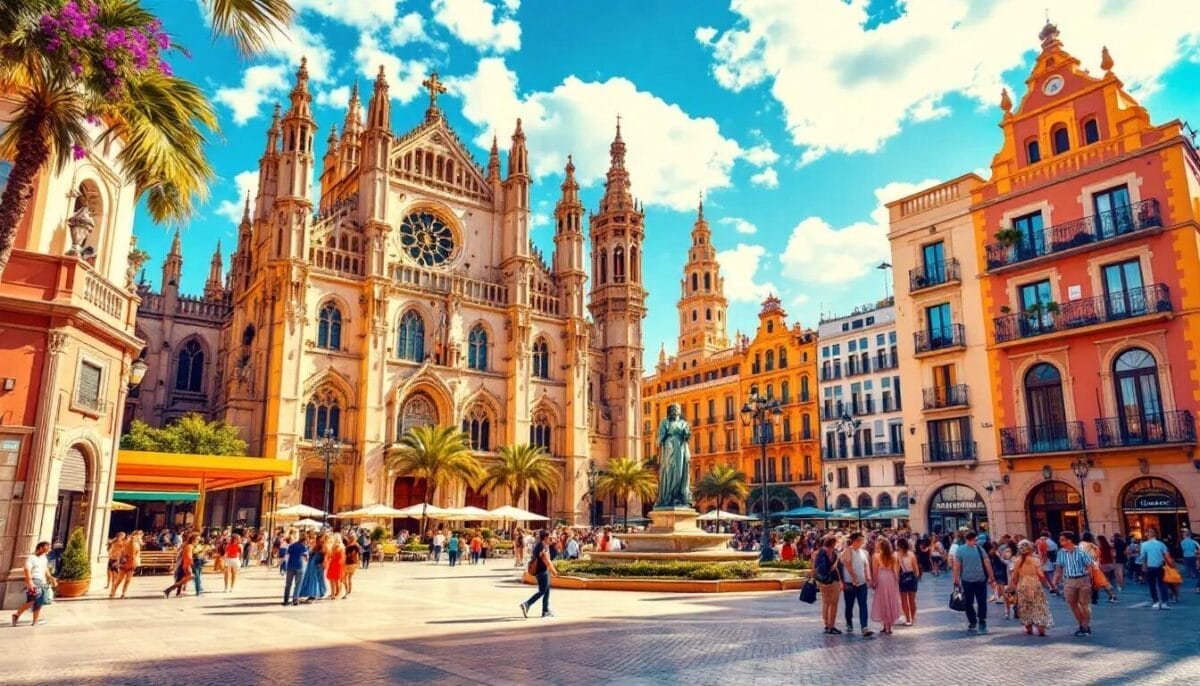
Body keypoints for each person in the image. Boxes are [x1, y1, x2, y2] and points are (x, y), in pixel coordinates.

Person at [1053, 531, 1096, 636]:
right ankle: (1082, 624)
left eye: (1062, 539)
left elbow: (1090, 565)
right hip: (1068, 581)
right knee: (1072, 603)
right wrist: (1054, 582)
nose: (1060, 541)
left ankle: (1085, 626)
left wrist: (1088, 578)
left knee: (1084, 604)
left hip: (1082, 579)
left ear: (1069, 540)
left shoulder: (1081, 551)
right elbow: (1058, 569)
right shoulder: (1061, 553)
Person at [951, 530, 994, 634]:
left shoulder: (960, 550)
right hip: (980, 579)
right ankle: (982, 620)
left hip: (967, 580)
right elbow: (987, 563)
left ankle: (972, 621)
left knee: (968, 602)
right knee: (981, 601)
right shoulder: (980, 549)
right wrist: (991, 576)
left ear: (966, 539)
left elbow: (957, 566)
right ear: (974, 538)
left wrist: (956, 579)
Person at [1009, 539, 1054, 636]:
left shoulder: (1017, 561)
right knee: (1038, 606)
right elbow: (1041, 575)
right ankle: (1041, 629)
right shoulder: (1036, 560)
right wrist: (1046, 584)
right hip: (1035, 584)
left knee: (1025, 607)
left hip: (1023, 585)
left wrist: (1014, 585)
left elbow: (1014, 577)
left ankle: (1028, 628)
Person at [11, 542, 57, 627]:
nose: (49, 550)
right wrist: (30, 582)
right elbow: (27, 569)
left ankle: (34, 621)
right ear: (40, 548)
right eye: (47, 548)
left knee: (39, 602)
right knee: (32, 601)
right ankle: (16, 614)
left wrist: (50, 577)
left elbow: (45, 569)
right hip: (34, 580)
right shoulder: (31, 558)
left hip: (42, 582)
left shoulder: (44, 558)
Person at [839, 532, 873, 637]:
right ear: (855, 540)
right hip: (850, 583)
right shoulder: (847, 551)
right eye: (861, 540)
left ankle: (864, 627)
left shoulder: (863, 552)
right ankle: (849, 623)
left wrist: (868, 576)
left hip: (862, 583)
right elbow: (848, 566)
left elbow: (866, 565)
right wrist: (854, 578)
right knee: (849, 605)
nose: (863, 542)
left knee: (863, 605)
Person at [519, 530, 558, 618]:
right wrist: (554, 571)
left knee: (546, 590)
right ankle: (527, 604)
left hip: (542, 571)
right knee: (542, 591)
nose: (550, 539)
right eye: (549, 537)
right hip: (542, 571)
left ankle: (545, 610)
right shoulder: (542, 547)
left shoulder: (540, 545)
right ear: (545, 538)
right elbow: (546, 560)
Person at [1137, 527, 1175, 609]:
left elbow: (1143, 557)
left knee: (1152, 585)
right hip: (1160, 566)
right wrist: (1171, 564)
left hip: (1151, 567)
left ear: (1146, 534)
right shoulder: (1160, 544)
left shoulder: (1144, 544)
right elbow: (1167, 555)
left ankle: (1156, 601)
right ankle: (1164, 602)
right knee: (1162, 584)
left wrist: (1144, 565)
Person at [870, 539, 901, 635]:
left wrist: (874, 582)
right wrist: (896, 581)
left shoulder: (876, 556)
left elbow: (875, 570)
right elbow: (896, 570)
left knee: (882, 601)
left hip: (881, 578)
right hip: (891, 577)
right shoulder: (894, 556)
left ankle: (885, 626)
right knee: (890, 600)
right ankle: (888, 627)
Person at [812, 535, 842, 634]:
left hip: (822, 581)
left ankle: (826, 624)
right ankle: (831, 626)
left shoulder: (817, 553)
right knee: (833, 604)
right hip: (832, 580)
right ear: (832, 543)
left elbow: (814, 569)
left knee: (825, 602)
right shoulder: (833, 553)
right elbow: (834, 568)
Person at [1079, 532, 1117, 603]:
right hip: (1095, 566)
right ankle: (1112, 596)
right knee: (1102, 582)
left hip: (1087, 566)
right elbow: (1097, 555)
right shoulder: (1094, 546)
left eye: (1081, 535)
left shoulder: (1082, 544)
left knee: (1087, 582)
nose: (1080, 536)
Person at [895, 537, 920, 626]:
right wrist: (916, 578)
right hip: (912, 576)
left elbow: (897, 568)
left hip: (903, 577)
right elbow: (915, 568)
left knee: (904, 600)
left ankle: (908, 619)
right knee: (912, 600)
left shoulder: (898, 555)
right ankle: (912, 618)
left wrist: (897, 578)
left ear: (899, 546)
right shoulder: (911, 554)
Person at [163, 533, 197, 597]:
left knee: (183, 577)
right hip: (185, 563)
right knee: (189, 576)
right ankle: (170, 589)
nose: (198, 541)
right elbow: (188, 556)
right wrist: (192, 564)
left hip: (184, 563)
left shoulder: (187, 544)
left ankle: (171, 590)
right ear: (193, 539)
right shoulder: (189, 546)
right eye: (197, 539)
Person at [110, 529, 141, 599]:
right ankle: (118, 593)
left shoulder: (134, 544)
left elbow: (135, 555)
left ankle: (118, 593)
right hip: (127, 563)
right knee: (124, 580)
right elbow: (124, 554)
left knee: (123, 580)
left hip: (128, 563)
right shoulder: (130, 544)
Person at [297, 532, 328, 602]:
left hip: (317, 565)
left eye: (321, 540)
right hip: (311, 565)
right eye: (319, 540)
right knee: (311, 580)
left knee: (316, 580)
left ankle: (314, 594)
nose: (320, 541)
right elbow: (310, 554)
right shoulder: (315, 546)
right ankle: (313, 594)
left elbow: (325, 556)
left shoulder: (324, 547)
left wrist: (323, 564)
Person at [282, 532, 308, 606]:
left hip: (290, 566)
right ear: (305, 540)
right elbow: (306, 558)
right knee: (298, 584)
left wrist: (282, 564)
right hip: (300, 567)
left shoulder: (291, 546)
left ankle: (286, 600)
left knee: (288, 584)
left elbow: (287, 555)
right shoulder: (304, 547)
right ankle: (295, 600)